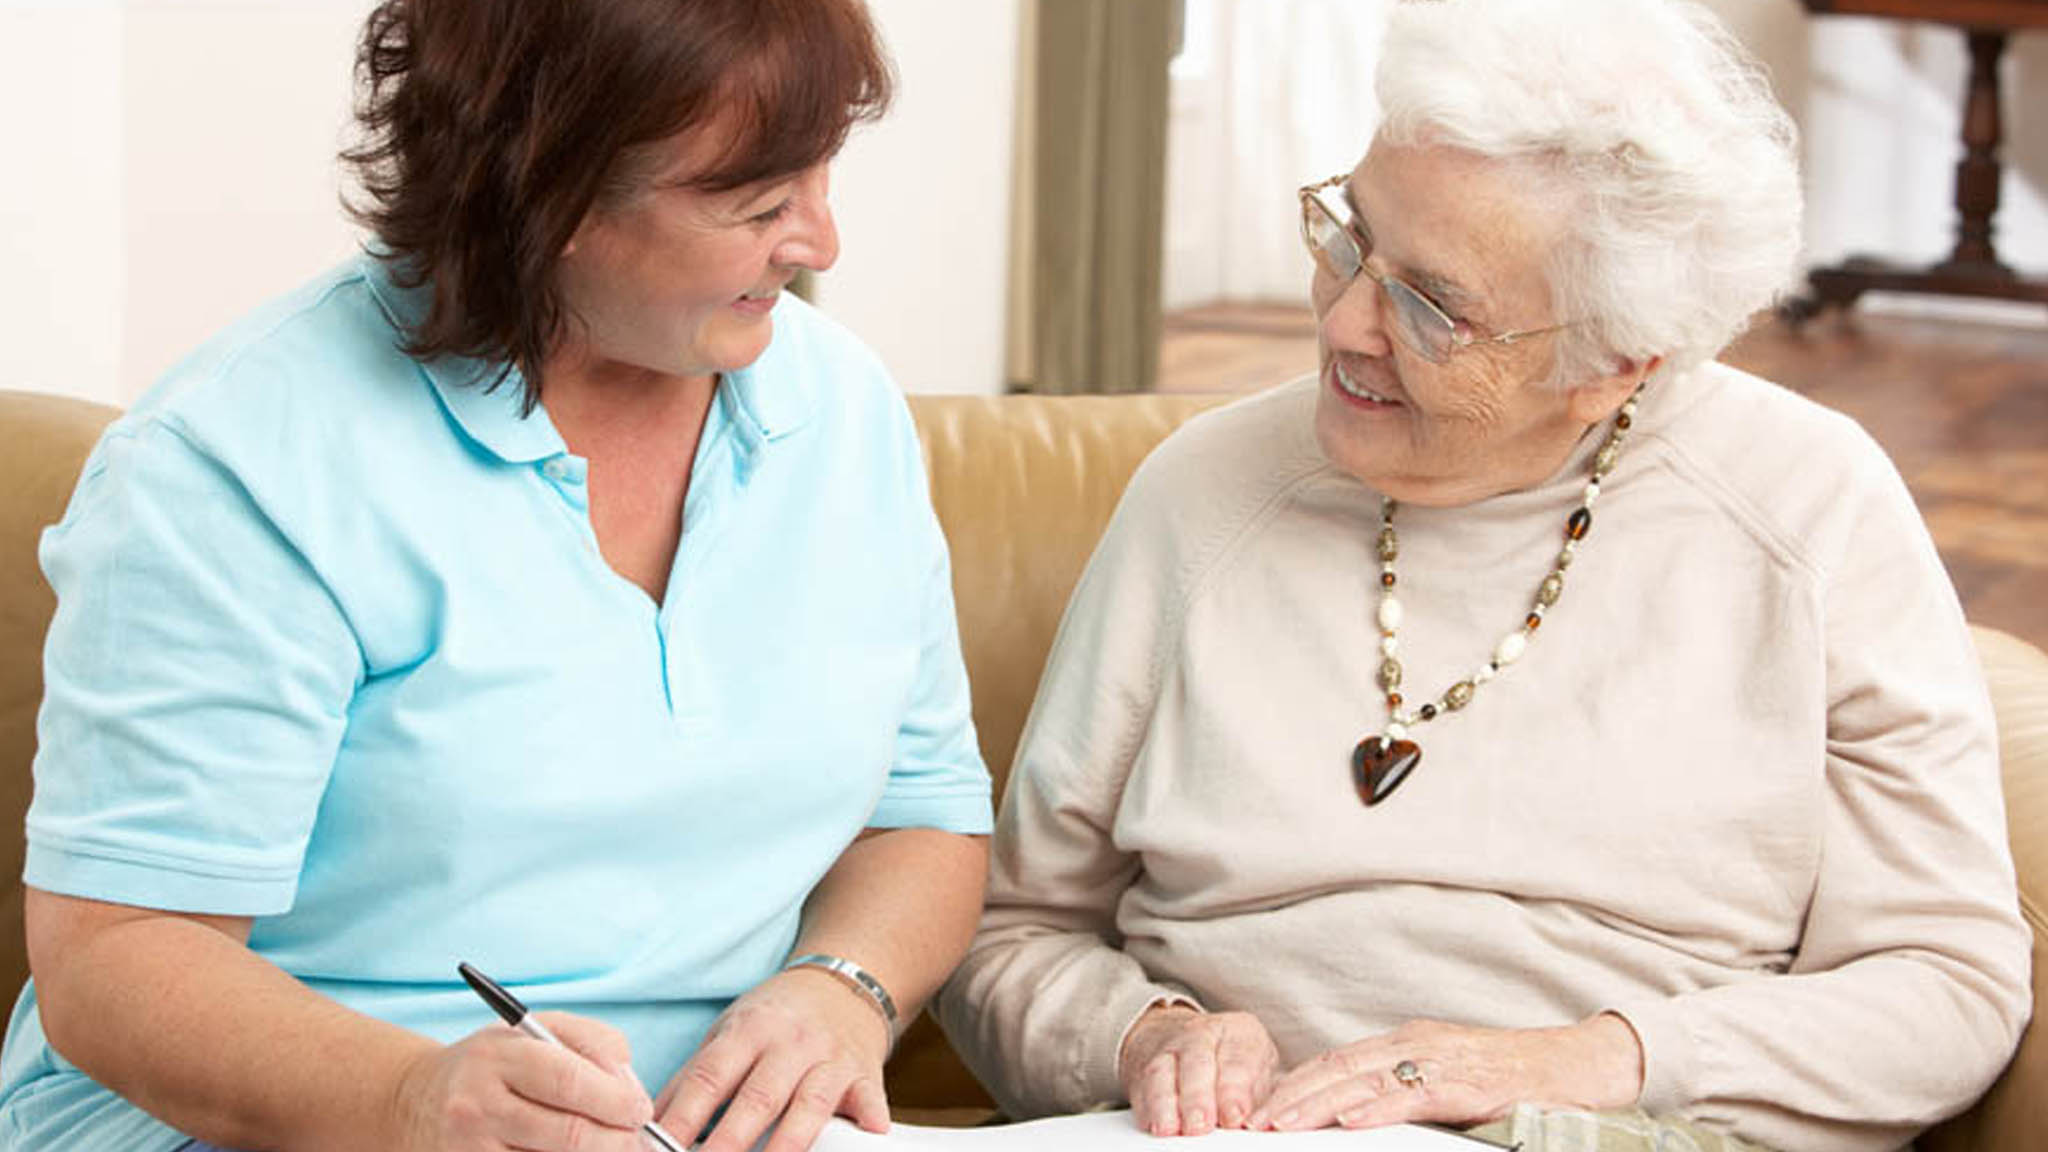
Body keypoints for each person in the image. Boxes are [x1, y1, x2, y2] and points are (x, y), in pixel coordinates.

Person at [935, 1, 2031, 1149]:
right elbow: (1008, 935)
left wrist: (1572, 1067)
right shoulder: (1201, 494)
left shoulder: (1806, 511)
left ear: (1615, 365)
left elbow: (1943, 987)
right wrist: (1144, 1035)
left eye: (1431, 306)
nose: (1346, 322)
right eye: (1348, 240)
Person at [0, 2, 992, 1150]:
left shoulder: (843, 414)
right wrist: (410, 1100)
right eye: (757, 203)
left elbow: (919, 821)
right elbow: (117, 956)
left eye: (819, 177)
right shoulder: (242, 461)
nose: (819, 241)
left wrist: (840, 986)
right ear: (550, 194)